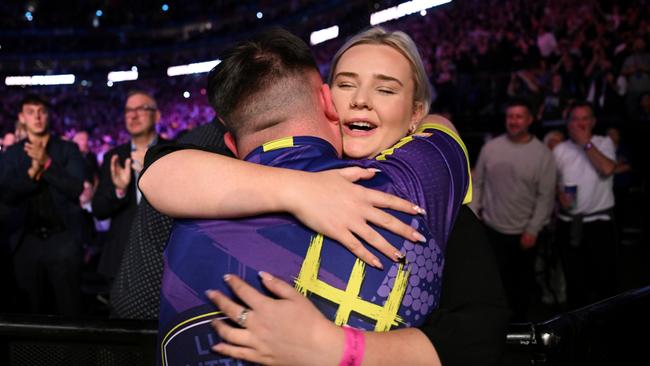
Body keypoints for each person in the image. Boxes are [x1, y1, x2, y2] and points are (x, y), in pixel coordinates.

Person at [139, 28, 491, 366]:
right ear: (326, 98)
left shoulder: (427, 198)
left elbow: (475, 336)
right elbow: (160, 169)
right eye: (345, 84)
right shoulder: (214, 179)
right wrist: (300, 190)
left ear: (415, 114)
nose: (361, 100)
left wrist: (338, 349)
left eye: (386, 90)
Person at [470, 99, 557, 321]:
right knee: (493, 284)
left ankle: (517, 330)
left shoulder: (542, 154)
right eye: (510, 116)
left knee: (521, 286)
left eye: (519, 116)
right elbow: (477, 183)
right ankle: (495, 327)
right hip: (491, 229)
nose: (514, 121)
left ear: (530, 119)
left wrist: (533, 230)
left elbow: (546, 196)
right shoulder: (491, 148)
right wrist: (475, 213)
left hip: (523, 233)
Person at [0, 94, 86, 315]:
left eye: (41, 111)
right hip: (25, 242)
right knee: (29, 312)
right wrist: (31, 175)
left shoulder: (68, 150)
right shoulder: (12, 154)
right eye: (31, 111)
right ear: (22, 117)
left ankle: (70, 352)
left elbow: (75, 188)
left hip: (63, 240)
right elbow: (6, 194)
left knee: (69, 310)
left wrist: (47, 163)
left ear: (48, 115)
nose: (37, 116)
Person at [91, 90, 170, 291]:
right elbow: (99, 209)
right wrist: (119, 190)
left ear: (157, 115)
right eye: (128, 110)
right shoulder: (114, 157)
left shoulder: (172, 152)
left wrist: (156, 176)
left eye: (141, 109)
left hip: (165, 257)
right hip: (121, 259)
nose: (133, 115)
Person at [553, 101, 617, 309]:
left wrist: (585, 143)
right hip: (569, 224)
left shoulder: (604, 142)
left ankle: (605, 330)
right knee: (575, 283)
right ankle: (577, 332)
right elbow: (553, 182)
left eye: (584, 118)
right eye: (575, 119)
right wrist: (558, 195)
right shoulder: (560, 149)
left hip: (598, 224)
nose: (580, 123)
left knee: (604, 282)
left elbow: (607, 169)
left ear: (593, 122)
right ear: (568, 123)